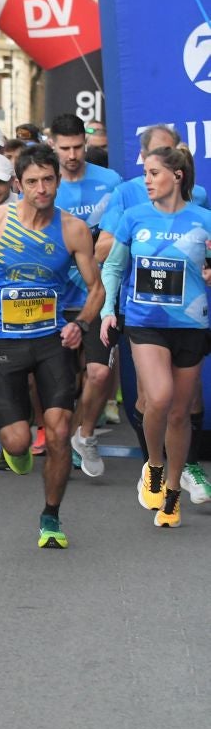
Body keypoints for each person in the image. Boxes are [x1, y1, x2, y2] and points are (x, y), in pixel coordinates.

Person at [0, 145, 102, 549]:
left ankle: (51, 516)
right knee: (15, 440)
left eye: (48, 179)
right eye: (32, 181)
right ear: (19, 185)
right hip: (3, 341)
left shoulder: (72, 230)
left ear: (58, 181)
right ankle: (17, 450)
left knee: (59, 432)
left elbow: (97, 288)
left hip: (51, 340)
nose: (41, 188)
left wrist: (81, 324)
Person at [99, 147, 211, 526]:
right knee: (159, 397)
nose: (146, 180)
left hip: (191, 325)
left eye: (153, 173)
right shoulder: (134, 217)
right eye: (144, 173)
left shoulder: (204, 220)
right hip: (145, 320)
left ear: (177, 176)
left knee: (180, 413)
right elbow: (113, 266)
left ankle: (174, 493)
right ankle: (155, 467)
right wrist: (108, 310)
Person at [50, 112, 124, 476]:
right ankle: (60, 439)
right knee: (62, 385)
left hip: (99, 297)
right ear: (53, 145)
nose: (73, 154)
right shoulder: (45, 185)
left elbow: (121, 236)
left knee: (97, 373)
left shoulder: (111, 182)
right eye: (64, 148)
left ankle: (87, 434)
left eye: (78, 146)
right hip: (55, 300)